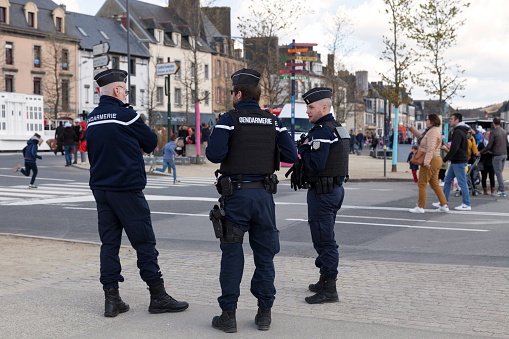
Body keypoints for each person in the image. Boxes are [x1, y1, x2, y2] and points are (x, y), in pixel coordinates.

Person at [86, 69, 188, 318]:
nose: (126, 94)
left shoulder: (92, 118)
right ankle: (158, 296)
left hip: (101, 189)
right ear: (119, 91)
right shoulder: (126, 115)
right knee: (144, 243)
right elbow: (152, 142)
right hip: (127, 189)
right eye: (125, 90)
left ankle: (112, 300)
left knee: (109, 244)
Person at [206, 68, 297, 333]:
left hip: (237, 195)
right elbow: (290, 155)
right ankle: (264, 314)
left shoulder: (229, 119)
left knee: (232, 254)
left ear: (238, 93)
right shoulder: (273, 121)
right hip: (264, 196)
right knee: (265, 255)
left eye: (232, 92)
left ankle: (229, 316)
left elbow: (214, 154)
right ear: (257, 95)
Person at [290, 87, 349, 305]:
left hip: (323, 194)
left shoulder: (322, 131)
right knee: (324, 239)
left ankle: (330, 290)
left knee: (325, 242)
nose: (307, 111)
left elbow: (316, 164)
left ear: (324, 107)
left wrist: (303, 148)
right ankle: (324, 279)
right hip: (334, 190)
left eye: (311, 107)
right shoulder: (337, 128)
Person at [406, 114, 448, 213]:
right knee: (434, 184)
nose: (425, 121)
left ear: (432, 121)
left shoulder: (433, 132)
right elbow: (422, 137)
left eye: (427, 119)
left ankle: (420, 207)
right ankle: (444, 205)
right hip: (436, 159)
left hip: (431, 159)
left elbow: (430, 149)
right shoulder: (432, 130)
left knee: (422, 183)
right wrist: (411, 128)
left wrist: (426, 162)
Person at [441, 113, 471, 210]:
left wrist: (444, 159)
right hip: (456, 161)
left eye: (452, 119)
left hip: (458, 161)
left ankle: (466, 204)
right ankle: (444, 202)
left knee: (462, 182)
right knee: (447, 180)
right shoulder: (460, 131)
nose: (450, 120)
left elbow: (454, 149)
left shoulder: (458, 132)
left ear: (457, 120)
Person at [476, 117, 507, 197]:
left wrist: (480, 152)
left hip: (497, 155)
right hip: (504, 154)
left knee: (498, 173)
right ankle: (500, 189)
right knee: (499, 172)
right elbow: (507, 143)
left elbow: (489, 146)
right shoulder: (504, 131)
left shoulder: (494, 132)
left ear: (493, 123)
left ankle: (501, 190)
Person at [478, 130, 495, 195]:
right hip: (483, 162)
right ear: (485, 135)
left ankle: (492, 190)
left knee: (492, 177)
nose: (489, 136)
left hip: (491, 162)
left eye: (490, 135)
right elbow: (479, 151)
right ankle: (485, 190)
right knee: (484, 177)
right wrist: (483, 152)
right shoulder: (481, 143)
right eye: (488, 135)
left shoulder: (493, 143)